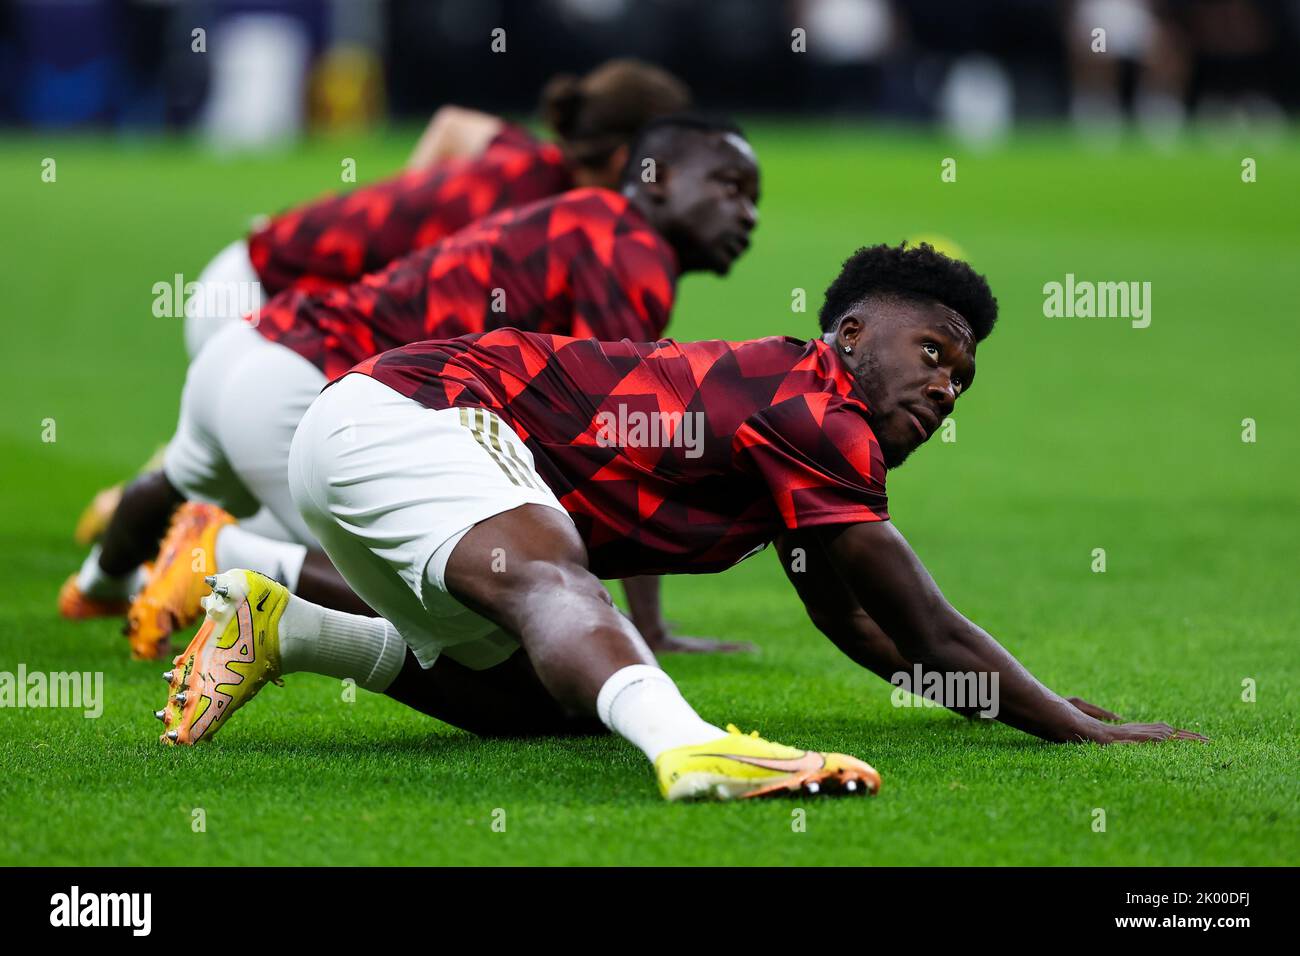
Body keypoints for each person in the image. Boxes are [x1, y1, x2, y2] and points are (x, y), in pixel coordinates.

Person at [155, 242, 1206, 802]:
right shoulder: (815, 404)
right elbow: (923, 624)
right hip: (411, 412)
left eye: (961, 380)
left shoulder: (800, 436)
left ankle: (286, 625)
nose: (944, 388)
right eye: (933, 352)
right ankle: (700, 750)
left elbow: (874, 633)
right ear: (849, 333)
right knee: (561, 590)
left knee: (545, 700)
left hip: (368, 435)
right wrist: (1080, 728)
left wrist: (998, 698)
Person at [74, 116, 760, 660]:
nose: (748, 216)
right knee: (468, 614)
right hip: (307, 383)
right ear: (658, 177)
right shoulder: (631, 250)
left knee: (173, 482)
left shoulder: (582, 215)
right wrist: (647, 626)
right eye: (732, 188)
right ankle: (223, 555)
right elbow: (626, 440)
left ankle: (95, 588)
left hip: (252, 342)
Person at [68, 58, 691, 548]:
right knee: (346, 518)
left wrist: (404, 209)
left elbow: (451, 122)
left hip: (259, 287)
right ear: (626, 155)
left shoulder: (529, 164)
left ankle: (138, 525)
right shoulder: (556, 219)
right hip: (266, 299)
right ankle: (195, 544)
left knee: (265, 471)